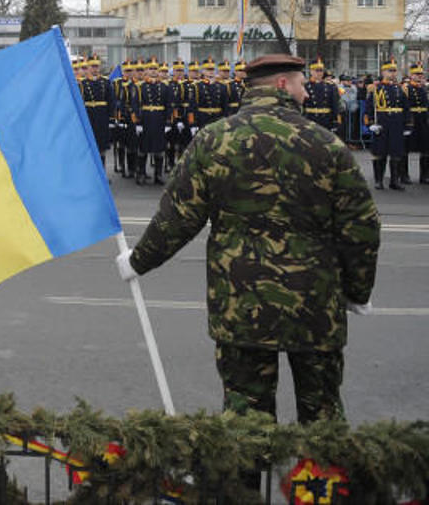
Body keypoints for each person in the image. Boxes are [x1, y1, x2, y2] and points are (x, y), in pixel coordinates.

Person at [117, 53, 379, 432]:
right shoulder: (327, 145)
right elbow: (361, 228)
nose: (307, 94)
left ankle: (246, 489)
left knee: (245, 429)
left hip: (242, 307)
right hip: (315, 307)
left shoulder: (214, 141)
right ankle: (320, 487)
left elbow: (177, 218)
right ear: (282, 85)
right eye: (302, 85)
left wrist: (137, 261)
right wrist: (357, 291)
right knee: (322, 423)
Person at [365, 58, 409, 190]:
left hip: (396, 123)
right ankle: (378, 180)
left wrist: (407, 125)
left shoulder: (400, 88)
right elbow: (369, 107)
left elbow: (406, 107)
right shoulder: (375, 88)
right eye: (390, 71)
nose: (393, 73)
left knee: (396, 152)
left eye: (394, 71)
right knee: (380, 151)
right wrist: (371, 123)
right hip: (382, 122)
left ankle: (394, 181)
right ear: (383, 72)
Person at [406, 64, 429, 183]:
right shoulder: (407, 88)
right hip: (412, 119)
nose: (420, 76)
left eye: (421, 74)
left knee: (426, 149)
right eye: (417, 74)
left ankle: (424, 175)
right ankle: (404, 175)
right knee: (406, 148)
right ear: (411, 75)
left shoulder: (424, 88)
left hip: (423, 120)